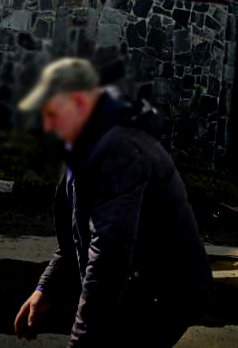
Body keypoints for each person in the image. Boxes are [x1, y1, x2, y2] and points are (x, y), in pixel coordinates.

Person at [12, 58, 210, 348]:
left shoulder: (118, 149)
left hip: (166, 294)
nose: (46, 124)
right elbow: (75, 240)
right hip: (136, 285)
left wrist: (82, 342)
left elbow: (109, 253)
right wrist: (45, 287)